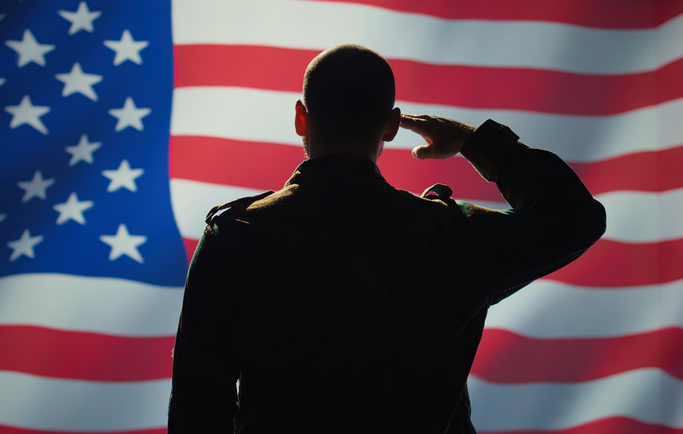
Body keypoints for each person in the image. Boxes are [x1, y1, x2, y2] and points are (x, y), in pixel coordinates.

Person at [168, 44, 606, 433]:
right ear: (393, 126)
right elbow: (575, 219)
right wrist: (477, 142)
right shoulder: (448, 235)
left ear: (301, 117)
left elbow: (198, 408)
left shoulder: (236, 236)